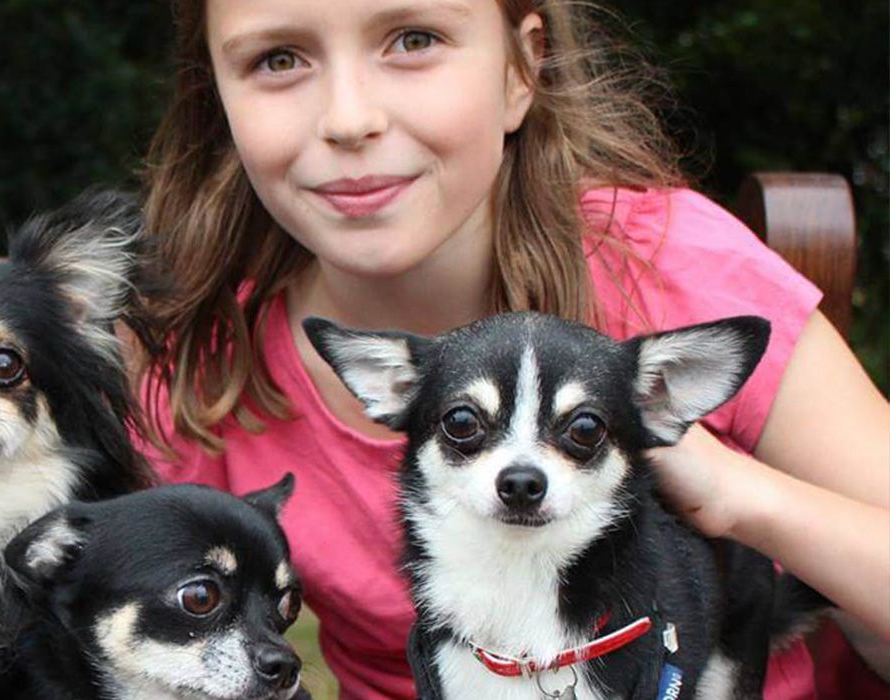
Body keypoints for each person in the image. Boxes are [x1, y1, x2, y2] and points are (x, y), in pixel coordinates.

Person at [133, 0, 890, 698]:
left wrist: (740, 496)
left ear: (520, 71)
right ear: (218, 95)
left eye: (413, 39)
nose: (349, 117)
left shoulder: (671, 264)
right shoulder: (210, 367)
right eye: (277, 59)